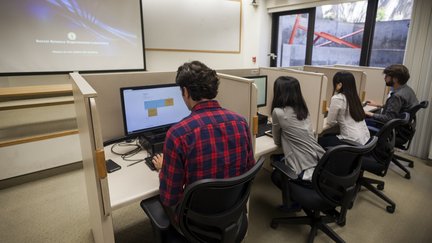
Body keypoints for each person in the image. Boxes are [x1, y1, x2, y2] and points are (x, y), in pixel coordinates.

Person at [152, 60, 256, 226]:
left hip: (195, 221)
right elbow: (249, 170)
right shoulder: (240, 122)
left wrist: (162, 168)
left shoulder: (178, 134)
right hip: (233, 212)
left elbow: (169, 196)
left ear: (185, 91)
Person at [271, 76, 325, 183]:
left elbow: (277, 141)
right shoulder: (303, 109)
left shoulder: (278, 112)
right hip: (319, 161)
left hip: (303, 170)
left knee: (274, 174)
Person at [318, 71, 370, 148]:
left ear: (340, 85)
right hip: (364, 140)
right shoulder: (355, 97)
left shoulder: (337, 98)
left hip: (351, 141)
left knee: (319, 140)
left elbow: (330, 122)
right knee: (329, 135)